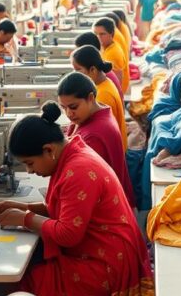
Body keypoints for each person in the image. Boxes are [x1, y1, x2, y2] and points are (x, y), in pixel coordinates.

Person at [0, 106, 155, 296]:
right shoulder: (72, 155)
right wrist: (24, 207)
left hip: (106, 261)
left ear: (48, 150)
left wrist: (24, 219)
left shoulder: (77, 170)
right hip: (105, 247)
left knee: (34, 285)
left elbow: (68, 233)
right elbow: (67, 209)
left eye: (31, 164)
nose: (30, 172)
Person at [55, 74, 135, 205]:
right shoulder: (98, 111)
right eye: (63, 108)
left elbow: (84, 184)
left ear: (91, 98)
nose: (69, 113)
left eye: (73, 107)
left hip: (106, 206)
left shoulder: (93, 137)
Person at [70, 45, 126, 150]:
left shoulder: (102, 96)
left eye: (77, 70)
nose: (74, 74)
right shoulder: (103, 83)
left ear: (92, 70)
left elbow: (97, 131)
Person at [94, 18, 130, 95]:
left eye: (102, 34)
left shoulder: (113, 53)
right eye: (95, 34)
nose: (98, 37)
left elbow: (117, 84)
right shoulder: (106, 47)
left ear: (111, 34)